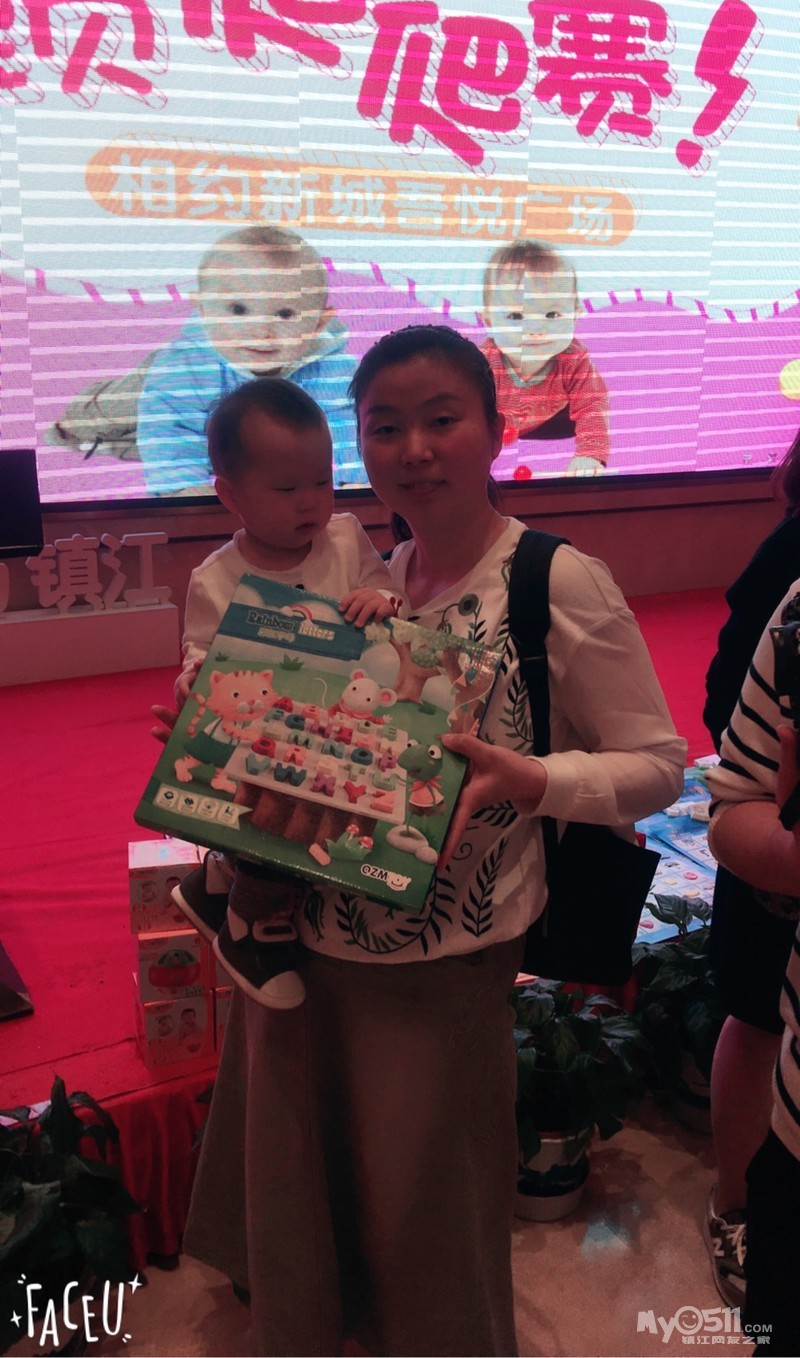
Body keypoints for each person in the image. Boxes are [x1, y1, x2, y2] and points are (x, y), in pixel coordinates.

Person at [181, 324, 685, 1356]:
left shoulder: (552, 580)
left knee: (431, 1242)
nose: (413, 449)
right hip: (299, 956)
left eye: (441, 419)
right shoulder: (367, 578)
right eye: (385, 427)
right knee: (312, 1215)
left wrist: (534, 779)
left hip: (440, 965)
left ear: (495, 430)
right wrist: (211, 754)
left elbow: (657, 765)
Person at [169, 377, 400, 1009]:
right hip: (264, 726)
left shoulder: (345, 539)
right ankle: (250, 926)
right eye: (286, 489)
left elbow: (391, 596)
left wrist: (381, 599)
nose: (311, 503)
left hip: (339, 718)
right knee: (271, 812)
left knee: (331, 805)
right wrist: (194, 678)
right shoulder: (216, 578)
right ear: (230, 494)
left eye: (322, 482)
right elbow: (199, 655)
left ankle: (214, 883)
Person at [701, 429, 800, 1307]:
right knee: (756, 1013)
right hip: (776, 864)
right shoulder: (792, 569)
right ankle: (735, 1205)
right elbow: (729, 722)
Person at [136, 225, 363, 495]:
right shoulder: (183, 366)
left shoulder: (333, 370)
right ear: (203, 309)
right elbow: (169, 432)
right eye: (238, 309)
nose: (261, 332)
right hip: (171, 389)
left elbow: (351, 427)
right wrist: (188, 488)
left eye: (285, 314)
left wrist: (357, 481)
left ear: (319, 323)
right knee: (118, 413)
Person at [480, 239, 610, 476]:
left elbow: (592, 406)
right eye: (516, 316)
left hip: (555, 423)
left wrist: (590, 455)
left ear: (575, 316)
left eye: (552, 314)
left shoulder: (574, 360)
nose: (535, 329)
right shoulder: (483, 363)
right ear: (488, 322)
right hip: (502, 427)